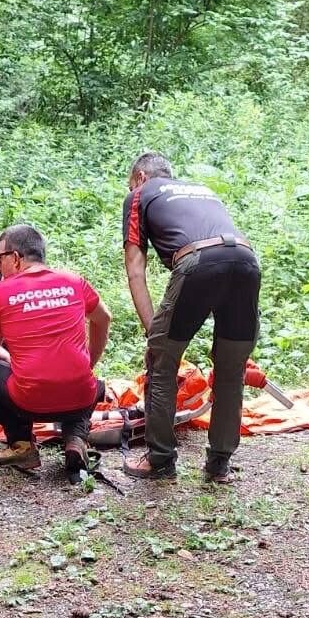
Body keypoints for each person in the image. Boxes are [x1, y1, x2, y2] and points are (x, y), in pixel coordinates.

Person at [121, 151, 261, 484]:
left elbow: (135, 270)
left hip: (199, 262)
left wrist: (154, 337)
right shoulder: (202, 190)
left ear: (140, 177)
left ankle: (160, 460)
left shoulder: (139, 194)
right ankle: (218, 465)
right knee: (231, 367)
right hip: (246, 261)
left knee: (161, 362)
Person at [0, 223, 111, 477]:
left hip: (29, 401)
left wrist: (12, 360)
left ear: (15, 258)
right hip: (81, 394)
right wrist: (89, 362)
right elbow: (104, 318)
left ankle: (22, 444)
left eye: (0, 258)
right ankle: (75, 439)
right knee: (91, 384)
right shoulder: (73, 281)